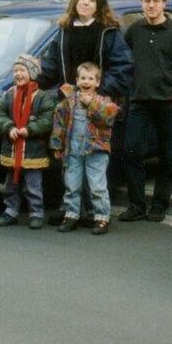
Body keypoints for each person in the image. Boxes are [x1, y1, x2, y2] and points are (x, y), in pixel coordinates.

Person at [38, 0, 132, 223]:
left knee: (95, 161)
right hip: (69, 105)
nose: (86, 3)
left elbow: (123, 68)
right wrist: (33, 83)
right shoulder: (64, 30)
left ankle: (94, 211)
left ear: (98, 5)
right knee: (71, 160)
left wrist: (99, 91)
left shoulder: (108, 32)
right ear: (75, 2)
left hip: (97, 104)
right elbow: (49, 66)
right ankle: (71, 209)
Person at [119, 0, 172, 223]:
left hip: (168, 102)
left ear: (164, 3)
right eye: (147, 1)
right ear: (142, 4)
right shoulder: (134, 30)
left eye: (155, 1)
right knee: (131, 151)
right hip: (139, 101)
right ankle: (137, 205)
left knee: (167, 156)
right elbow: (121, 59)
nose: (151, 5)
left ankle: (159, 205)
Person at [49, 62, 121, 235]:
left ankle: (102, 217)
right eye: (83, 78)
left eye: (90, 78)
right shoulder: (69, 101)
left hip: (95, 151)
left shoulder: (103, 101)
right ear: (77, 80)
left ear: (97, 82)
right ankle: (71, 214)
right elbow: (59, 121)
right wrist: (57, 143)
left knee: (97, 185)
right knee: (72, 184)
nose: (86, 82)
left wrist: (91, 104)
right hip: (73, 150)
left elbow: (109, 117)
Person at [0, 54, 56, 230]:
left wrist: (30, 129)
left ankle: (36, 213)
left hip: (33, 151)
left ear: (32, 73)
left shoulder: (42, 97)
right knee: (11, 184)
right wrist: (9, 127)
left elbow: (46, 119)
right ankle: (10, 211)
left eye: (22, 70)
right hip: (12, 150)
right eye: (15, 71)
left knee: (33, 186)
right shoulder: (9, 94)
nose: (17, 74)